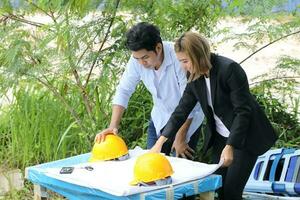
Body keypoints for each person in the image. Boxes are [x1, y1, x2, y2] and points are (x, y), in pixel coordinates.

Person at [150, 31, 278, 200]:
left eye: (185, 61)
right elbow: (181, 110)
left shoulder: (229, 69)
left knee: (231, 193)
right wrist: (161, 141)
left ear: (198, 55)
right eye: (180, 61)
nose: (183, 66)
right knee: (214, 187)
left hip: (243, 137)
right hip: (220, 138)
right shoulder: (193, 76)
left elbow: (243, 112)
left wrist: (231, 145)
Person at [95, 22, 204, 159]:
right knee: (151, 163)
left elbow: (188, 103)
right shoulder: (137, 59)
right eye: (137, 59)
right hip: (159, 116)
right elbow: (124, 90)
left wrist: (180, 137)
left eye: (145, 57)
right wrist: (113, 126)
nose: (141, 63)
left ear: (158, 48)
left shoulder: (178, 58)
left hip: (187, 120)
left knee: (180, 168)